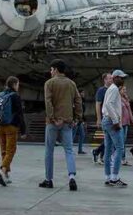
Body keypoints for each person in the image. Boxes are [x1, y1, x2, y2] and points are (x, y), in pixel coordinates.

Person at [40, 59, 82, 190]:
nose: (50, 72)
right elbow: (78, 101)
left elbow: (48, 102)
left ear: (56, 69)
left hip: (53, 123)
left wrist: (52, 118)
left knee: (49, 150)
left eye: (51, 69)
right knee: (69, 150)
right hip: (68, 122)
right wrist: (77, 118)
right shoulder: (71, 83)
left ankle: (49, 179)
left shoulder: (49, 83)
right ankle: (72, 177)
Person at [0, 75, 26, 186]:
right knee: (11, 150)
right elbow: (20, 113)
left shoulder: (0, 95)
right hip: (11, 126)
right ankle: (2, 170)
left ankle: (6, 175)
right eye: (18, 84)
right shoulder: (15, 96)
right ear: (14, 84)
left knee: (4, 151)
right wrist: (23, 130)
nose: (18, 87)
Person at [100, 69, 128, 188]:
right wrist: (116, 121)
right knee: (120, 148)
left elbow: (106, 105)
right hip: (112, 121)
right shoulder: (114, 89)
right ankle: (114, 177)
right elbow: (109, 104)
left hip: (106, 120)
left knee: (108, 150)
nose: (123, 80)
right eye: (121, 78)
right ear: (115, 77)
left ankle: (108, 177)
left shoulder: (111, 88)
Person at [91, 73, 112, 165]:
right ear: (105, 80)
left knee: (109, 139)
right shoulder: (101, 90)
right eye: (109, 78)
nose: (111, 80)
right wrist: (99, 119)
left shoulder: (113, 89)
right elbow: (98, 104)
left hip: (112, 117)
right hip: (105, 117)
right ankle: (101, 156)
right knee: (108, 138)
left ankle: (97, 152)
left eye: (112, 78)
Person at [119, 85, 133, 166]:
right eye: (123, 89)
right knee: (121, 141)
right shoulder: (117, 98)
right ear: (119, 90)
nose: (125, 91)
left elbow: (129, 111)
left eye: (125, 89)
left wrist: (132, 120)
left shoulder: (125, 99)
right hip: (120, 123)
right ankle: (120, 158)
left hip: (126, 123)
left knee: (123, 141)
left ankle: (123, 159)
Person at [75, 89, 87, 155]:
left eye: (83, 92)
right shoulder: (76, 100)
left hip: (80, 120)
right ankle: (68, 150)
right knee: (73, 135)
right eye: (82, 92)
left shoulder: (82, 101)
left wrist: (84, 120)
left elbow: (82, 112)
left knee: (82, 134)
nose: (83, 94)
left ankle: (80, 150)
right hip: (76, 120)